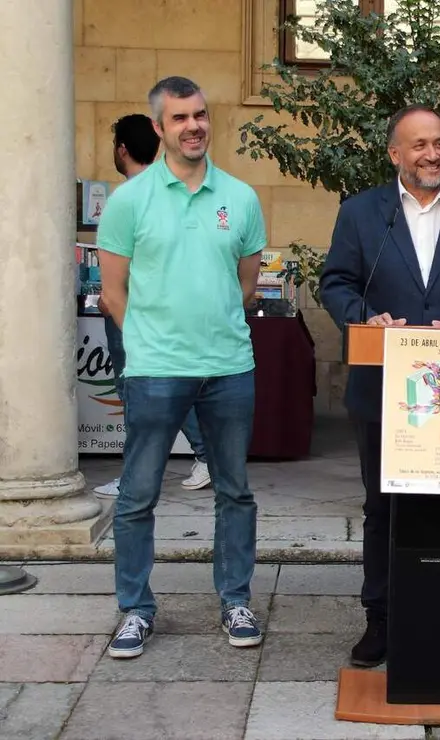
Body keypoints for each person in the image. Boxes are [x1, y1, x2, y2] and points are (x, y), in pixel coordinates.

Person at [318, 104, 440, 669]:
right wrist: (365, 317)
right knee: (382, 508)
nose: (434, 154)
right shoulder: (362, 214)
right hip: (385, 388)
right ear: (395, 154)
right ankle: (380, 618)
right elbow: (336, 283)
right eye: (421, 145)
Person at [97, 76, 268, 659]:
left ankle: (236, 601)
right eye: (179, 118)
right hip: (155, 371)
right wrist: (149, 346)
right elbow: (113, 292)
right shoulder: (129, 201)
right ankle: (135, 609)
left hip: (228, 368)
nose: (193, 126)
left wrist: (209, 327)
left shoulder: (240, 198)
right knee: (138, 495)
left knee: (235, 492)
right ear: (158, 127)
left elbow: (246, 286)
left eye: (200, 114)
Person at [94, 113, 211, 499]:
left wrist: (112, 298)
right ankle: (205, 454)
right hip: (168, 309)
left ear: (122, 150)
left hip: (133, 311)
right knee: (171, 385)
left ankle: (137, 475)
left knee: (136, 392)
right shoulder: (173, 192)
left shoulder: (128, 198)